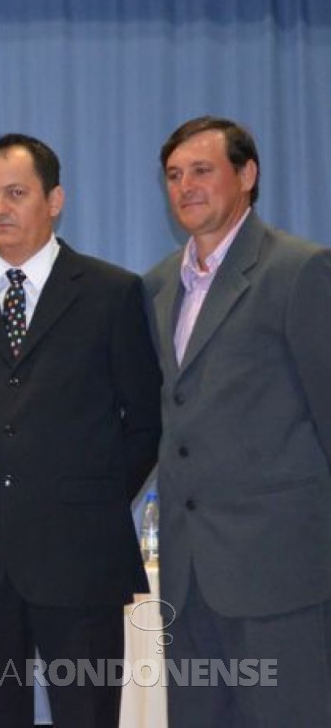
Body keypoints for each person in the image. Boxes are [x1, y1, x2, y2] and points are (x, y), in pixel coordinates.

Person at [0, 133, 161, 728]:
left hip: (82, 558)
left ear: (54, 199)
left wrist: (90, 497)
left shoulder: (112, 293)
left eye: (16, 193)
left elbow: (145, 421)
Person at [144, 116, 331, 726]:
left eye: (202, 170)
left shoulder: (299, 271)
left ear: (246, 175)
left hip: (280, 579)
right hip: (188, 578)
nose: (186, 187)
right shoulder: (157, 287)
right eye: (174, 175)